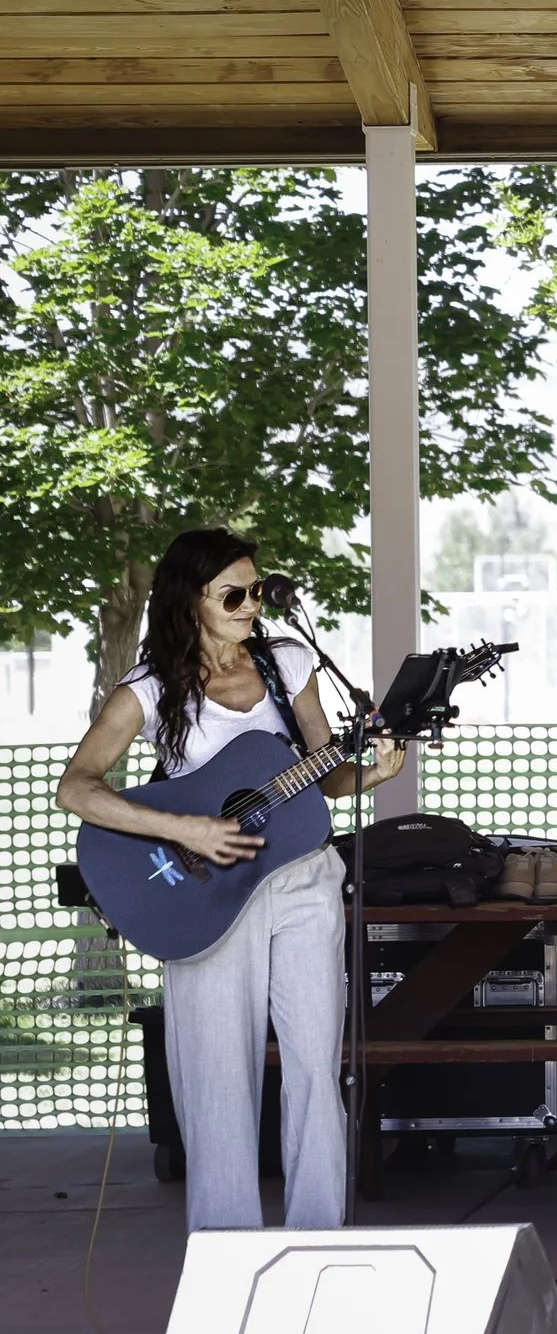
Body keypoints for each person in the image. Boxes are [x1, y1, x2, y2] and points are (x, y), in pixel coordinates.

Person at [56, 527, 406, 1231]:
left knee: (315, 1067)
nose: (251, 604)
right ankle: (225, 1253)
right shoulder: (151, 688)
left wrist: (375, 769)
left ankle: (317, 1244)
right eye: (234, 594)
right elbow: (76, 788)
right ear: (191, 603)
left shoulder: (288, 661)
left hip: (303, 879)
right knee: (219, 1077)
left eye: (255, 589)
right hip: (207, 895)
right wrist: (186, 828)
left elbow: (323, 776)